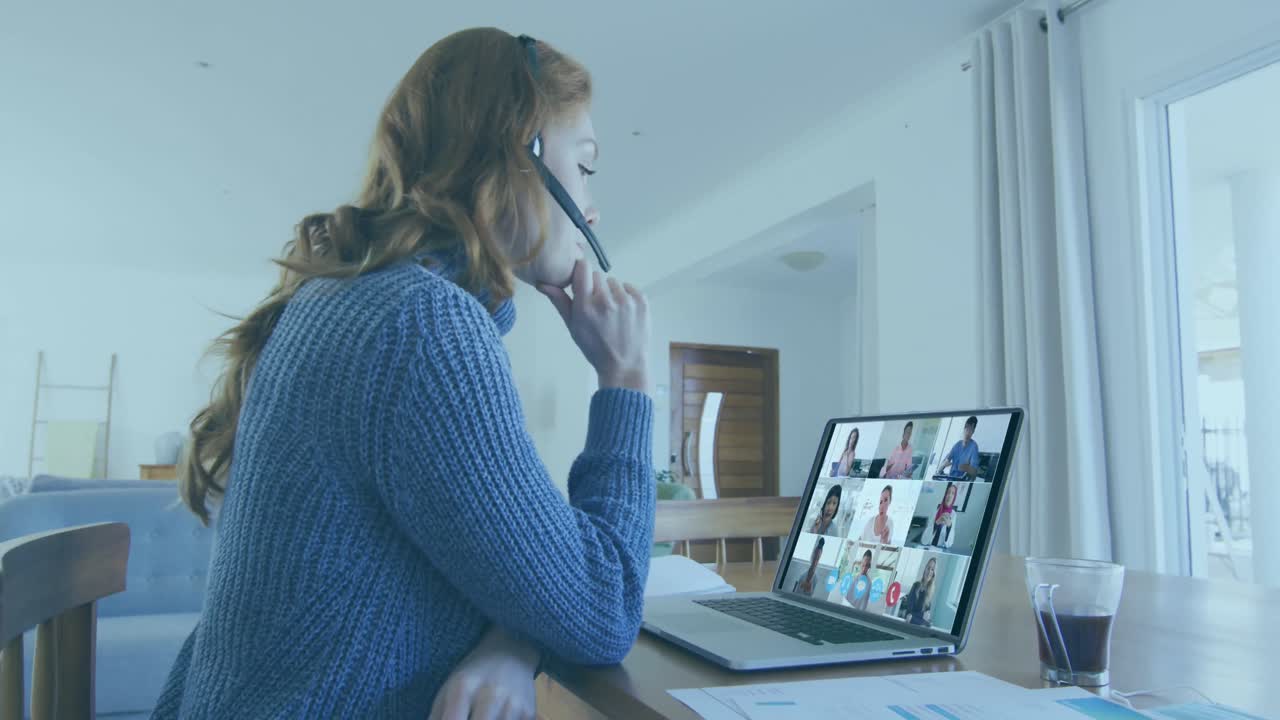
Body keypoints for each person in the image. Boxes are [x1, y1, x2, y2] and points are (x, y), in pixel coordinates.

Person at [154, 29, 654, 720]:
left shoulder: (360, 301)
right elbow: (604, 608)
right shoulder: (423, 329)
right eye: (586, 165)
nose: (592, 207)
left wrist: (512, 640)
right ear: (523, 152)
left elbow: (517, 563)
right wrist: (624, 378)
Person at [901, 557, 937, 626]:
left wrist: (924, 617)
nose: (929, 571)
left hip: (919, 623)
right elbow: (909, 612)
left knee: (930, 625)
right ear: (925, 569)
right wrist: (922, 615)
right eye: (928, 568)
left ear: (933, 574)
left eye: (932, 569)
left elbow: (927, 616)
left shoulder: (930, 592)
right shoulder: (916, 586)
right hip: (911, 622)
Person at [930, 483, 959, 548]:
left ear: (954, 498)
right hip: (929, 545)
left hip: (940, 548)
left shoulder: (953, 514)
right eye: (948, 493)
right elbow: (924, 539)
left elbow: (949, 544)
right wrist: (936, 523)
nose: (949, 496)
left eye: (953, 494)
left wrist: (949, 526)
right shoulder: (936, 511)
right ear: (945, 495)